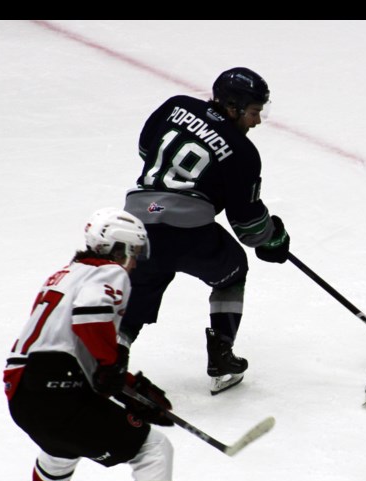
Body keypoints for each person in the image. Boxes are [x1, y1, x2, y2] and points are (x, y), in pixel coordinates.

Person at [4, 208, 201, 481]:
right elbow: (91, 319)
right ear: (118, 247)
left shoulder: (65, 274)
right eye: (133, 253)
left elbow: (67, 347)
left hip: (22, 391)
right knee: (154, 448)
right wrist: (113, 370)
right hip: (56, 388)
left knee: (63, 438)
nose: (133, 264)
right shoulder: (107, 273)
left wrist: (126, 385)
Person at [120, 67, 291, 395]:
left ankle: (110, 359)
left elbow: (147, 150)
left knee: (141, 285)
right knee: (233, 270)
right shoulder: (242, 152)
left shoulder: (175, 105)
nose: (257, 121)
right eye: (254, 113)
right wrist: (275, 238)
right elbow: (248, 225)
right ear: (233, 108)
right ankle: (222, 358)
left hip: (138, 222)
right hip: (189, 232)